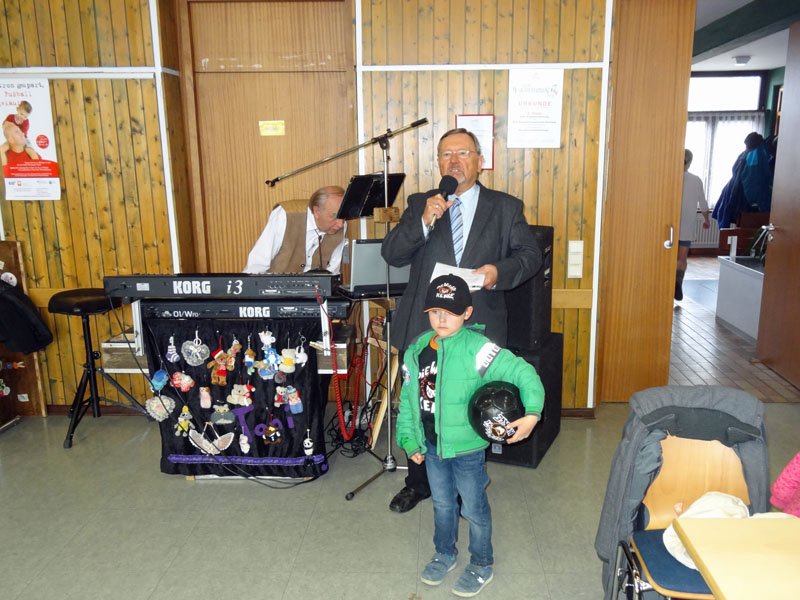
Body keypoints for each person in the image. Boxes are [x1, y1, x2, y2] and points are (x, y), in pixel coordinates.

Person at [382, 128, 541, 513]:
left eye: (463, 153)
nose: (454, 161)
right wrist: (423, 221)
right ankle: (418, 482)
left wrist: (497, 272)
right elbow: (392, 254)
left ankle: (463, 486)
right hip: (427, 326)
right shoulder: (421, 203)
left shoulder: (505, 207)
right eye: (446, 154)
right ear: (438, 162)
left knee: (467, 405)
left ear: (479, 161)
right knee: (422, 404)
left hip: (478, 325)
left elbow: (530, 256)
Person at [396, 274, 544, 597]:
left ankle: (481, 563)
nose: (441, 319)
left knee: (474, 510)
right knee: (442, 505)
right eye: (435, 312)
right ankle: (444, 553)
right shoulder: (416, 351)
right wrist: (409, 440)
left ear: (467, 312)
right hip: (433, 448)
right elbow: (408, 402)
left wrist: (532, 413)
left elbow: (522, 371)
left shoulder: (479, 349)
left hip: (468, 451)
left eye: (450, 312)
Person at [244, 185, 347, 274]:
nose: (340, 224)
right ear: (317, 212)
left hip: (315, 290)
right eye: (335, 216)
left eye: (344, 217)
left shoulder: (341, 225)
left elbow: (333, 271)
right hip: (275, 289)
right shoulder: (285, 215)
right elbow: (258, 263)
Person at [675, 149, 709, 301]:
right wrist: (706, 219)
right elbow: (703, 203)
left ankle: (667, 284)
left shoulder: (669, 177)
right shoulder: (696, 180)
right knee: (682, 258)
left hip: (670, 223)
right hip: (687, 224)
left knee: (668, 255)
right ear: (689, 163)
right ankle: (678, 281)